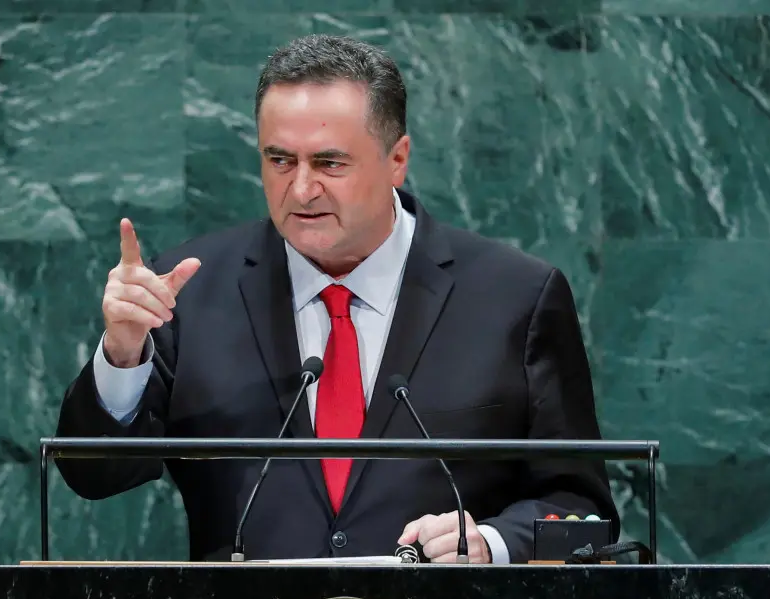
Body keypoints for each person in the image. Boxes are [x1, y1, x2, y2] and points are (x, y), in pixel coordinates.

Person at [56, 34, 618, 563]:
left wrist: (492, 543)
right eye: (280, 161)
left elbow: (583, 511)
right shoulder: (189, 290)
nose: (301, 190)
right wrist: (122, 354)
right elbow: (96, 476)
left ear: (397, 159)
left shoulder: (515, 297)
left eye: (330, 163)